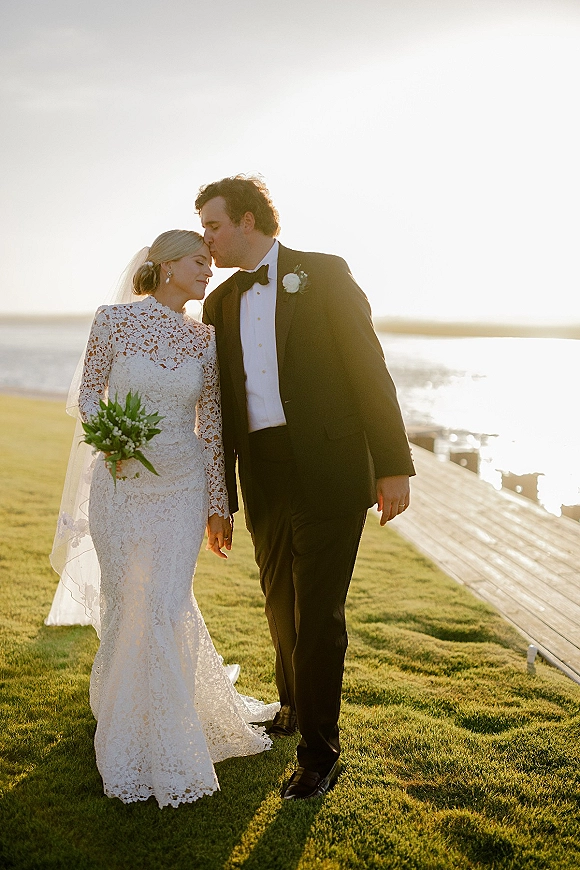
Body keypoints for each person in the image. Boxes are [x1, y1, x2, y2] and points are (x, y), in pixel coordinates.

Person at [196, 177, 416, 800]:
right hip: (263, 473)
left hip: (328, 469)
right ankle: (291, 703)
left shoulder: (323, 274)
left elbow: (368, 368)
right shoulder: (221, 302)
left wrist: (392, 465)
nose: (207, 241)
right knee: (277, 601)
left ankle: (320, 754)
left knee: (317, 614)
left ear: (246, 220)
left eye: (213, 227)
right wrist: (224, 499)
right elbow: (224, 408)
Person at [46, 230, 278, 808]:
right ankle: (122, 712)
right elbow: (89, 392)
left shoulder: (207, 339)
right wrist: (112, 437)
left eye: (209, 262)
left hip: (181, 488)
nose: (209, 270)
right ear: (168, 265)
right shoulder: (113, 320)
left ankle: (166, 732)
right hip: (121, 483)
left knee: (166, 600)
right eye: (199, 262)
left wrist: (218, 503)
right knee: (128, 600)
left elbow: (214, 426)